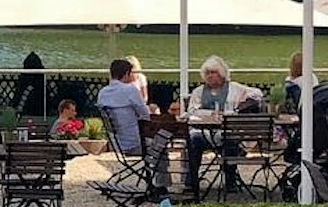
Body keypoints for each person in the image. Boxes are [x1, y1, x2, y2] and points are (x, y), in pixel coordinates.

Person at [180, 55, 265, 195]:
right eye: (207, 73)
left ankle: (230, 181)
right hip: (204, 132)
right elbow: (192, 111)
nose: (210, 76)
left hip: (226, 131)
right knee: (193, 139)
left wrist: (244, 101)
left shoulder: (234, 88)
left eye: (213, 72)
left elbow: (258, 93)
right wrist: (208, 114)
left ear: (221, 74)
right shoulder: (198, 91)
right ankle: (191, 182)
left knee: (229, 138)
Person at [96, 58, 166, 192]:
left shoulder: (102, 93)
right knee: (161, 146)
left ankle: (152, 181)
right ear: (127, 73)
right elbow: (145, 115)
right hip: (134, 143)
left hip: (115, 143)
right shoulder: (131, 90)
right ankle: (161, 186)